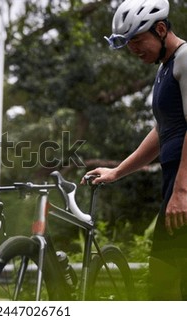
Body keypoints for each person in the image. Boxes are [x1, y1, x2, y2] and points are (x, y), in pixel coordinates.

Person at [85, 0, 187, 300]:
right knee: (168, 284)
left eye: (138, 41)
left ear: (160, 29)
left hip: (183, 185)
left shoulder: (184, 59)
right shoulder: (165, 68)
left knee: (164, 283)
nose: (134, 50)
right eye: (128, 44)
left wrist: (182, 191)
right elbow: (162, 130)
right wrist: (117, 172)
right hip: (175, 183)